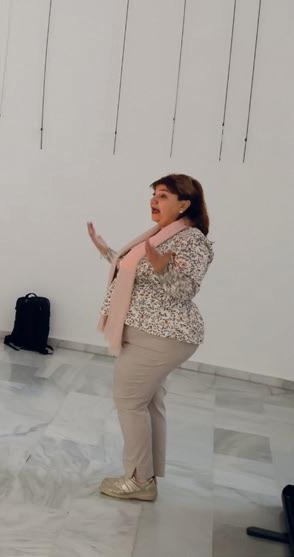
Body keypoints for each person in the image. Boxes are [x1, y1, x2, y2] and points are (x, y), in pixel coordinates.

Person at [89, 173, 214, 502]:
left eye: (163, 196)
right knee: (148, 403)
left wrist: (163, 268)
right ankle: (147, 474)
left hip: (162, 336)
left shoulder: (191, 240)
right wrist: (107, 251)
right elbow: (135, 270)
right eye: (154, 195)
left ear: (184, 204)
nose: (154, 201)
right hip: (147, 331)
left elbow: (185, 290)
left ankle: (139, 480)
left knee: (129, 402)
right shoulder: (161, 234)